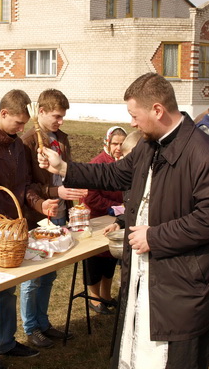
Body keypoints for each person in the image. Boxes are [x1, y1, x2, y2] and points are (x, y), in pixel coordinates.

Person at [38, 73, 209, 369]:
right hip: (147, 275)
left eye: (134, 115)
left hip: (180, 285)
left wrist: (155, 237)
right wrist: (64, 166)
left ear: (157, 110)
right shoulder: (149, 145)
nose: (131, 123)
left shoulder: (204, 154)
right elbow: (113, 174)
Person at [0, 89, 59, 369]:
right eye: (18, 123)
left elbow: (25, 185)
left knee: (8, 288)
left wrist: (40, 205)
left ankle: (5, 341)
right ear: (3, 114)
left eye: (24, 124)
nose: (22, 129)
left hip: (15, 230)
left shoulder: (16, 145)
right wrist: (0, 225)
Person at [21, 89, 87, 347]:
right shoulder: (28, 141)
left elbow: (64, 172)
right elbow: (26, 185)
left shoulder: (61, 138)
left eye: (63, 117)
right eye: (56, 116)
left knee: (49, 274)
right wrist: (52, 192)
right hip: (38, 216)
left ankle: (43, 323)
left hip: (59, 214)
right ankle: (30, 327)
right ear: (41, 112)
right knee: (34, 275)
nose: (60, 122)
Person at [81, 126, 127, 315]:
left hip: (117, 220)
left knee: (110, 259)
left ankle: (106, 296)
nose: (118, 147)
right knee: (95, 262)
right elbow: (90, 197)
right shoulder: (98, 164)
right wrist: (114, 206)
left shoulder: (124, 163)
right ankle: (95, 298)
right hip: (98, 219)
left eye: (121, 144)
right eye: (115, 143)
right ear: (107, 142)